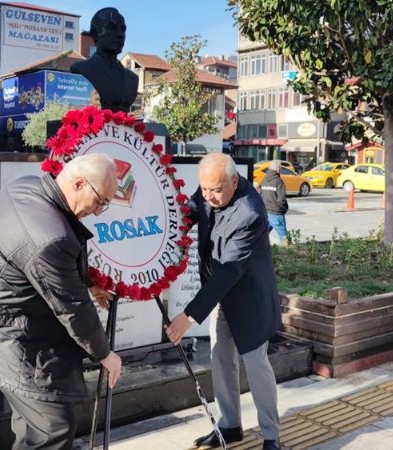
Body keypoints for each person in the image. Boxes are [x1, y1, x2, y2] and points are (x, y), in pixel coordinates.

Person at [0, 154, 123, 449]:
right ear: (78, 182)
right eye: (100, 201)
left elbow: (37, 268)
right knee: (53, 428)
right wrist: (105, 354)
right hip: (8, 340)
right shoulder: (49, 238)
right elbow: (72, 308)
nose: (99, 212)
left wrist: (87, 282)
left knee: (34, 424)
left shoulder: (25, 189)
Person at [165, 153, 281, 450]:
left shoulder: (251, 212)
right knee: (220, 358)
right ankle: (229, 425)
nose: (208, 196)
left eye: (215, 190)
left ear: (234, 180)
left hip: (248, 297)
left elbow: (230, 270)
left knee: (256, 365)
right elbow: (191, 210)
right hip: (219, 294)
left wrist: (188, 315)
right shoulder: (209, 188)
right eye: (204, 189)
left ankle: (271, 436)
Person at [70, 8, 138, 113]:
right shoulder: (81, 70)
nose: (120, 34)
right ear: (95, 34)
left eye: (122, 29)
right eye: (112, 28)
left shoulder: (132, 78)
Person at [259, 160, 289, 245]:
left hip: (266, 212)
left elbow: (261, 195)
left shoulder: (264, 179)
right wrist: (284, 209)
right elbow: (281, 200)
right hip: (276, 213)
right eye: (280, 168)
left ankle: (262, 255)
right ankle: (285, 255)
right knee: (283, 237)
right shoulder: (278, 181)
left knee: (263, 236)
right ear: (278, 169)